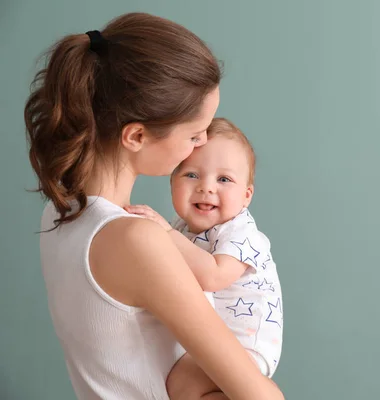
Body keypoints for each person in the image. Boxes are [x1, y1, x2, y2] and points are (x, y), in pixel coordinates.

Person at [24, 12, 284, 400]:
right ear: (137, 135)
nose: (201, 147)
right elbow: (259, 396)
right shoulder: (136, 240)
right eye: (196, 135)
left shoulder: (60, 213)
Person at [125, 118, 283, 395]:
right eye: (192, 175)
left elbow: (213, 275)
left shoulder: (242, 233)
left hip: (243, 347)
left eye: (224, 179)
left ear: (246, 196)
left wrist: (163, 233)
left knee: (183, 383)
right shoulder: (181, 229)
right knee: (184, 387)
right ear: (172, 183)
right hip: (210, 342)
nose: (206, 187)